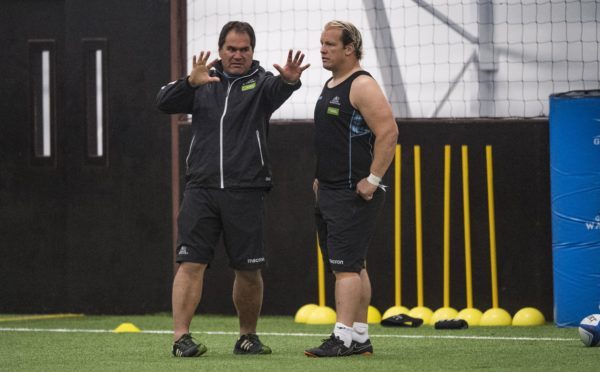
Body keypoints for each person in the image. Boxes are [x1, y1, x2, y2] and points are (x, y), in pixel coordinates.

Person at [156, 21, 309, 357]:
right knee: (190, 264)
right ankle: (181, 338)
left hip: (247, 190)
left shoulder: (263, 84)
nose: (237, 55)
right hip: (201, 190)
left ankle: (247, 337)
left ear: (252, 52)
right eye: (231, 49)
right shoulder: (201, 81)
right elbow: (163, 101)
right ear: (221, 49)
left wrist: (290, 80)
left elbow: (281, 90)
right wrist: (188, 83)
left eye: (244, 49)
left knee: (248, 269)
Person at [304, 20, 398, 358]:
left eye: (330, 44)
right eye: (321, 43)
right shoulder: (331, 83)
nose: (323, 49)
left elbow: (389, 132)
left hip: (352, 194)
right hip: (329, 190)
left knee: (344, 267)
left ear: (349, 48)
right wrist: (320, 179)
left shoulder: (361, 85)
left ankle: (341, 338)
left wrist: (372, 180)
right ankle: (359, 338)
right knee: (353, 265)